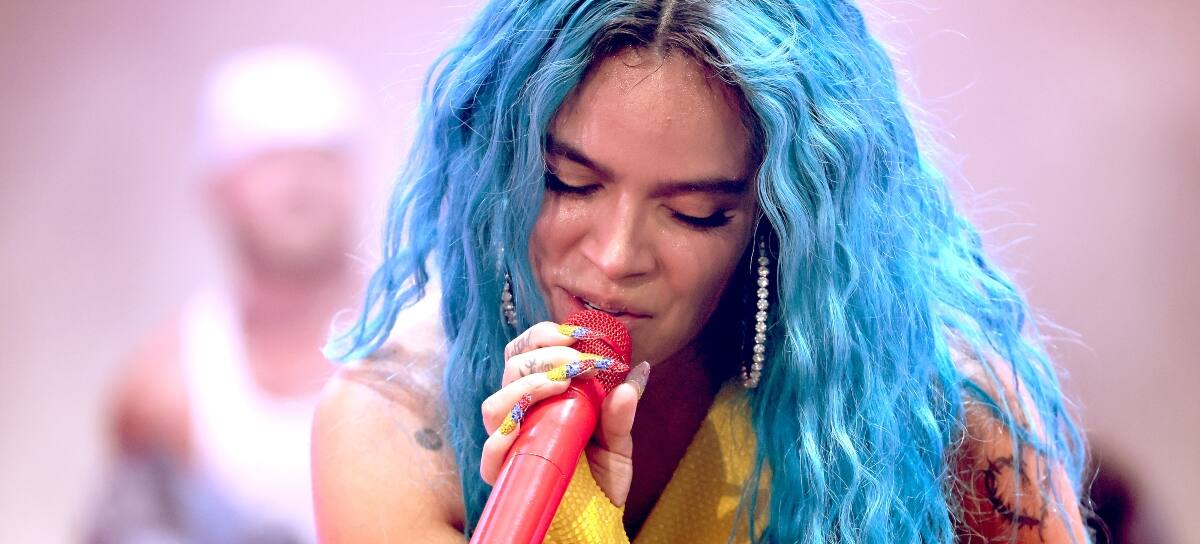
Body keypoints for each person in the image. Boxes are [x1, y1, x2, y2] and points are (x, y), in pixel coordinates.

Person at [312, 1, 1090, 543]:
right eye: (567, 182)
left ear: (778, 220)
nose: (615, 258)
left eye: (694, 213)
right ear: (496, 165)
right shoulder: (393, 425)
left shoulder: (928, 407)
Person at [91, 45, 365, 544]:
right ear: (217, 185)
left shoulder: (424, 338)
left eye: (321, 156)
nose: (300, 183)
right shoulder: (164, 385)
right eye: (271, 160)